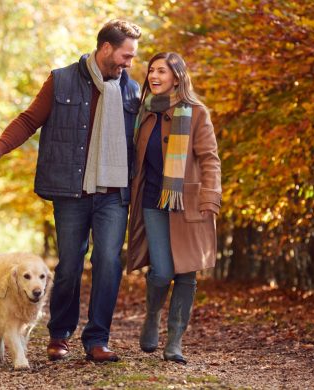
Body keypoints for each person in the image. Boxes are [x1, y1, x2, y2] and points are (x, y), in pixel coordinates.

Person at [0, 20, 142, 362]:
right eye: (126, 55)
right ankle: (60, 333)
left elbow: (147, 136)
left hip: (114, 192)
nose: (129, 63)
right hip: (72, 191)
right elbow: (28, 120)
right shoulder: (62, 79)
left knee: (109, 261)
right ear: (106, 49)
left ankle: (97, 339)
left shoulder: (132, 90)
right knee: (69, 265)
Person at [126, 52, 221, 364]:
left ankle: (175, 342)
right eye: (151, 70)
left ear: (177, 77)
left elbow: (209, 158)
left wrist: (211, 196)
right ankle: (152, 316)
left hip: (188, 204)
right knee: (162, 271)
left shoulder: (196, 112)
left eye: (161, 71)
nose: (154, 76)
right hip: (153, 201)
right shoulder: (144, 112)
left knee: (186, 275)